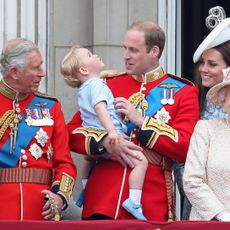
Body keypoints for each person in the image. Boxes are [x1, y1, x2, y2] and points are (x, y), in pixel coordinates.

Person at [67, 20, 199, 221]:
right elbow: (71, 132)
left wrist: (143, 122)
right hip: (102, 197)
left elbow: (186, 147)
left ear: (154, 51)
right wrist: (104, 143)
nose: (125, 56)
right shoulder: (107, 85)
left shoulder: (183, 92)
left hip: (149, 201)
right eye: (125, 48)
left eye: (134, 50)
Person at [60, 46, 148, 220]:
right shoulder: (98, 85)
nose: (126, 54)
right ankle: (134, 201)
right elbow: (99, 110)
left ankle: (84, 191)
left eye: (133, 49)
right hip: (110, 134)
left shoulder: (86, 85)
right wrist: (110, 134)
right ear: (84, 69)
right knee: (141, 161)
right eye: (90, 55)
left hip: (93, 132)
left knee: (88, 158)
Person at [0, 38, 77, 220]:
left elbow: (64, 163)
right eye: (35, 68)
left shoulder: (51, 106)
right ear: (14, 72)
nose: (42, 73)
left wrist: (59, 196)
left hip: (40, 211)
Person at [174, 8, 229, 220]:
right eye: (202, 63)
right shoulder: (190, 97)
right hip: (199, 206)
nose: (203, 69)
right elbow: (183, 162)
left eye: (212, 64)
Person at [183, 65, 230, 221]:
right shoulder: (206, 129)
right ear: (224, 99)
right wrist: (222, 216)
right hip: (209, 223)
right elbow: (192, 180)